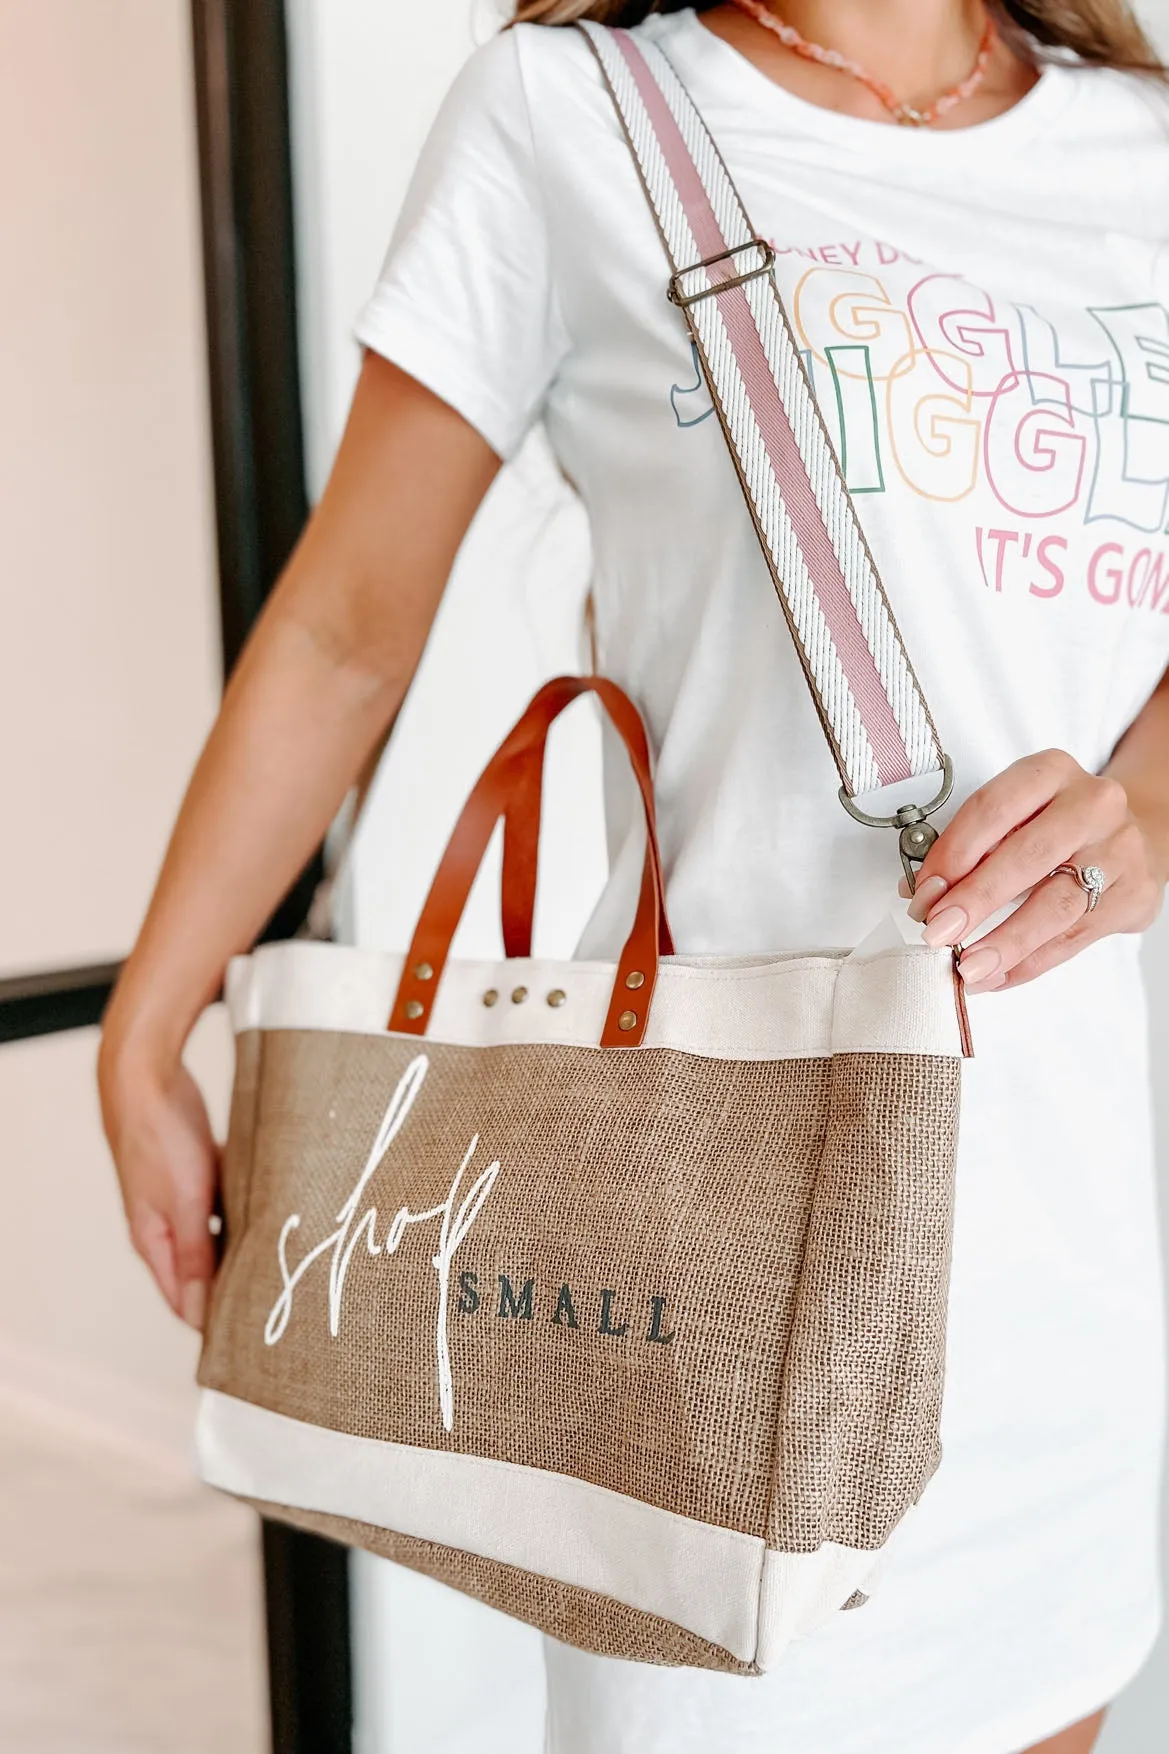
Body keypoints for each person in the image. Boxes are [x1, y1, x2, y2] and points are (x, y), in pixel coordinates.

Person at [99, 3, 1169, 1750]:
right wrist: (152, 1019)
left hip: (1055, 1277)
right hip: (702, 1293)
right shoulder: (574, 113)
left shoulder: (1142, 155)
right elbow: (346, 632)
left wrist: (1138, 822)